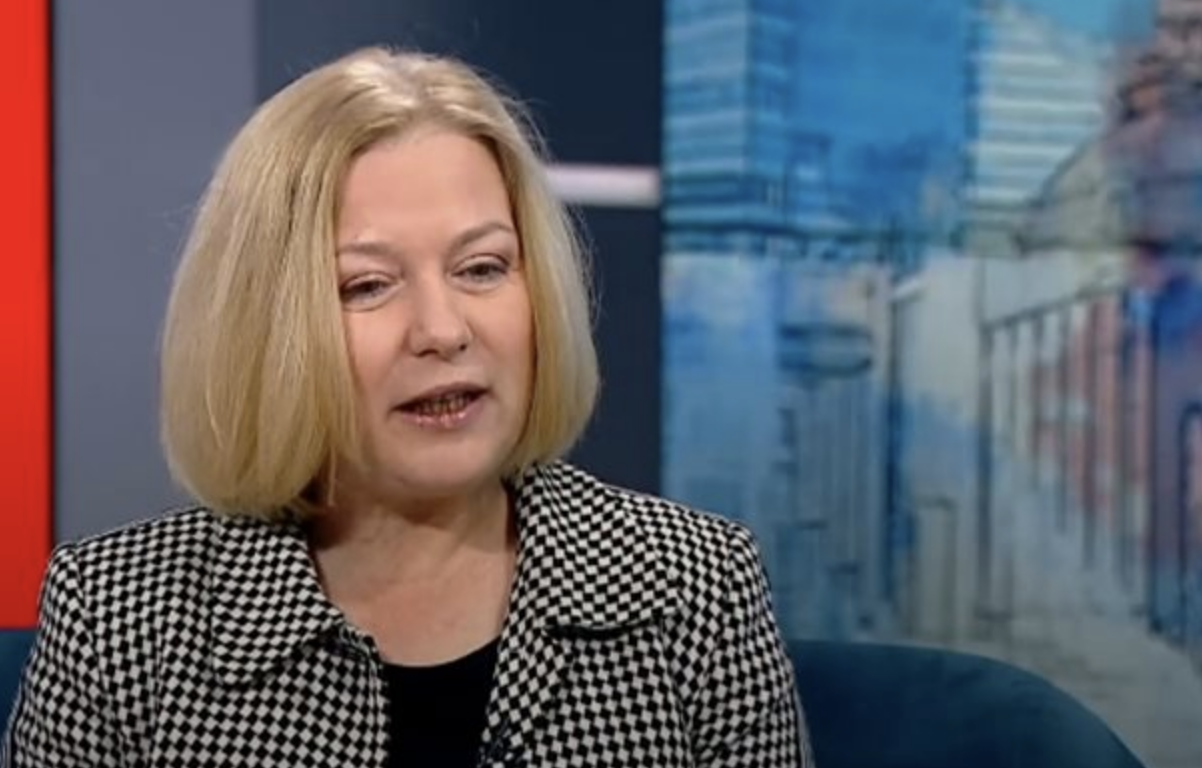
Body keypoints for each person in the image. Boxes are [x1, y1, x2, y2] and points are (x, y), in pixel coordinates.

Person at [3, 47, 809, 767]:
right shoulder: (115, 620)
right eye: (367, 285)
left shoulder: (697, 587)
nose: (442, 330)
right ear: (268, 328)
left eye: (482, 268)